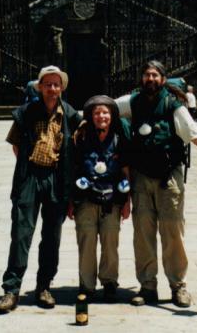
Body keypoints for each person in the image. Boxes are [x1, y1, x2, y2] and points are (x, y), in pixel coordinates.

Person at [115, 60, 197, 308]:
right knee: (143, 234)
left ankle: (178, 285)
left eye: (154, 75)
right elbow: (105, 107)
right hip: (141, 177)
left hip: (168, 177)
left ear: (162, 79)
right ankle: (147, 286)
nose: (150, 79)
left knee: (172, 233)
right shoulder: (132, 102)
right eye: (146, 75)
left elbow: (196, 136)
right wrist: (85, 119)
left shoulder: (174, 106)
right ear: (142, 79)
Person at [0, 65, 81, 313]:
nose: (52, 89)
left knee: (51, 236)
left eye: (56, 84)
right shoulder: (26, 112)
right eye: (47, 84)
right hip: (30, 176)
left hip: (57, 178)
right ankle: (11, 290)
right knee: (22, 233)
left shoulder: (71, 115)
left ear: (62, 88)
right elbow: (15, 144)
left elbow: (80, 144)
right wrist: (28, 164)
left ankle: (44, 286)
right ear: (40, 87)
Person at [68, 95, 131, 303]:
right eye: (97, 113)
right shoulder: (81, 137)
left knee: (110, 241)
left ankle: (110, 282)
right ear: (90, 116)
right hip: (85, 198)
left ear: (112, 116)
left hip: (112, 199)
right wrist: (70, 200)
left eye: (105, 112)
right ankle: (86, 284)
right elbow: (73, 169)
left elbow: (125, 170)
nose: (101, 116)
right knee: (86, 241)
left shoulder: (120, 138)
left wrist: (127, 200)